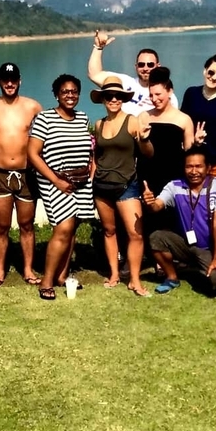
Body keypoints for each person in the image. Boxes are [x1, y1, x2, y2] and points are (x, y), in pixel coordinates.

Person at [28, 74, 95, 301]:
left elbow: (88, 150)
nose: (70, 95)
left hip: (80, 182)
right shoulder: (45, 118)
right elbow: (33, 154)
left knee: (72, 228)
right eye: (65, 91)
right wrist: (56, 181)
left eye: (74, 91)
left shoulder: (82, 118)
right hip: (55, 181)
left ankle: (62, 275)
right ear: (56, 95)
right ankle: (46, 281)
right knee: (63, 228)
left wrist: (89, 174)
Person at [90, 76, 154, 295]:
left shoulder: (132, 121)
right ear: (103, 99)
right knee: (109, 231)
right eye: (109, 96)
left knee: (135, 234)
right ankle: (114, 274)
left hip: (127, 185)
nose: (113, 99)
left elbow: (148, 153)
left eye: (118, 96)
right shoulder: (99, 124)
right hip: (101, 186)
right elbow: (97, 155)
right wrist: (92, 177)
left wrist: (144, 139)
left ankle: (135, 280)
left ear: (123, 99)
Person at [0, 62, 43, 287]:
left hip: (26, 174)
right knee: (1, 227)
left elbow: (48, 131)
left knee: (27, 225)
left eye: (13, 79)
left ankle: (28, 269)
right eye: (5, 80)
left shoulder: (33, 106)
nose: (10, 83)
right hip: (0, 174)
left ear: (19, 81)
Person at [141, 146, 216, 295]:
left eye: (198, 166)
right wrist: (149, 202)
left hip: (211, 248)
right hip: (186, 245)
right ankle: (172, 277)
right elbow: (156, 206)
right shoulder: (174, 186)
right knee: (156, 238)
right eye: (189, 166)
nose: (194, 171)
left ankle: (196, 267)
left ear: (208, 168)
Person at [142, 67, 195, 231]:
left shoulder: (184, 119)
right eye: (151, 95)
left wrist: (198, 143)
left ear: (170, 91)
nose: (154, 99)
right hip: (148, 176)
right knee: (148, 223)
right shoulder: (143, 116)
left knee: (173, 222)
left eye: (158, 94)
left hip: (174, 175)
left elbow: (189, 153)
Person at [88, 30, 178, 112]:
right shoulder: (124, 82)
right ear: (136, 66)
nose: (145, 68)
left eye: (150, 65)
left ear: (158, 66)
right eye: (141, 64)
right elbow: (94, 75)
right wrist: (98, 47)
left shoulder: (166, 95)